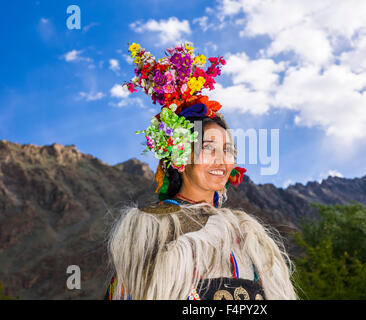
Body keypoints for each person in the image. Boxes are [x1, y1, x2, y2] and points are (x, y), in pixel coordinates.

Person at [104, 42, 298, 300]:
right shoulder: (148, 226)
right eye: (209, 148)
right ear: (180, 157)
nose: (222, 160)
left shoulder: (247, 232)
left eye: (228, 150)